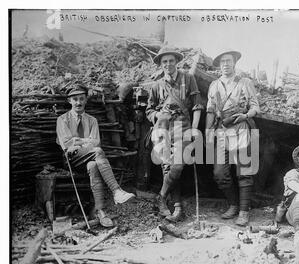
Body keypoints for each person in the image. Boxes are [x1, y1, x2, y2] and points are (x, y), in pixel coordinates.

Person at [56, 84, 135, 227]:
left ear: (86, 100)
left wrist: (78, 141)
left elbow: (96, 141)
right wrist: (86, 142)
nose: (78, 102)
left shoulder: (92, 120)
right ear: (69, 101)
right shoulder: (62, 120)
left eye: (81, 98)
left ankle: (99, 210)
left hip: (88, 158)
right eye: (75, 99)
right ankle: (116, 191)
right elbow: (67, 144)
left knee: (93, 165)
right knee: (97, 152)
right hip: (71, 160)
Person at [146, 47, 203, 222]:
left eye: (171, 61)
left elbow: (197, 106)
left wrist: (194, 128)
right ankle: (177, 206)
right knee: (167, 167)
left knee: (177, 165)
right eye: (164, 61)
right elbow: (149, 110)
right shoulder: (157, 85)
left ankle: (161, 197)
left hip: (183, 127)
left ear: (176, 62)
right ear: (161, 64)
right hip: (163, 129)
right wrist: (157, 115)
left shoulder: (188, 78)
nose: (168, 64)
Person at [205, 49, 260, 226]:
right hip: (222, 129)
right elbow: (210, 110)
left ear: (234, 63)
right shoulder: (214, 85)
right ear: (219, 65)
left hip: (241, 126)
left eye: (228, 61)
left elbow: (255, 106)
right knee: (219, 173)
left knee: (244, 170)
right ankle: (233, 204)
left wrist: (246, 116)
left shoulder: (244, 82)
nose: (225, 65)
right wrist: (208, 130)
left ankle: (244, 211)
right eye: (222, 62)